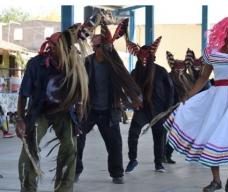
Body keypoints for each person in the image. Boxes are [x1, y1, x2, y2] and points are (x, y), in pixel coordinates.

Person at [164, 15, 228, 192]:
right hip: (216, 98)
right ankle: (216, 181)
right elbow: (203, 78)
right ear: (225, 32)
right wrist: (189, 95)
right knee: (212, 135)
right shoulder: (212, 53)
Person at [15, 22, 92, 192]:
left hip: (64, 112)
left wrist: (79, 106)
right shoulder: (36, 64)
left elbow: (80, 89)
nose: (66, 52)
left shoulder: (74, 64)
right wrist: (21, 120)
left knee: (71, 146)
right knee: (30, 145)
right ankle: (28, 188)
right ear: (52, 47)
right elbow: (23, 94)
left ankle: (63, 189)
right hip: (39, 112)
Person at [75, 18, 142, 184]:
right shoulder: (86, 63)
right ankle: (75, 170)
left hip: (109, 112)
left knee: (114, 144)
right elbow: (78, 85)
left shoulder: (115, 64)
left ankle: (117, 174)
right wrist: (78, 104)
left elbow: (127, 82)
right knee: (77, 141)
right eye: (100, 46)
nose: (106, 48)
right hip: (88, 111)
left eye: (107, 45)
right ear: (95, 48)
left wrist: (132, 99)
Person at [125, 36, 174, 173]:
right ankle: (132, 159)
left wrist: (168, 109)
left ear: (153, 57)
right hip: (141, 110)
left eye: (147, 56)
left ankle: (159, 163)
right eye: (142, 56)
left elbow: (170, 90)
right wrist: (131, 102)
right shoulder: (135, 73)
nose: (144, 59)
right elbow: (129, 90)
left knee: (159, 137)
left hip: (159, 111)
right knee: (133, 133)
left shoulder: (161, 71)